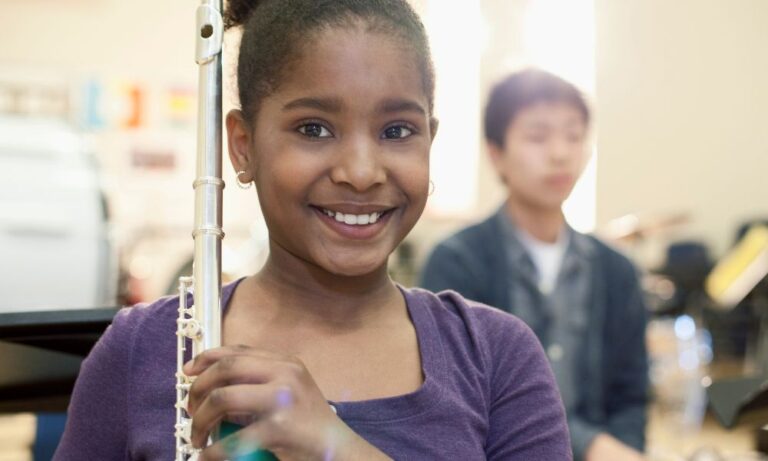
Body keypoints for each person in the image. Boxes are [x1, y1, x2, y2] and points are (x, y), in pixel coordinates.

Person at [54, 3, 572, 460]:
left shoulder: (496, 356)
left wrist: (334, 447)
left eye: (397, 131)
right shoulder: (141, 350)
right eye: (313, 129)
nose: (362, 171)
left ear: (429, 141)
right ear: (242, 145)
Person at [420, 69, 649, 461]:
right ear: (496, 153)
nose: (560, 153)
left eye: (573, 136)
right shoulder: (457, 264)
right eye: (537, 136)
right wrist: (589, 444)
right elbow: (459, 404)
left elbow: (631, 398)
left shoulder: (616, 271)